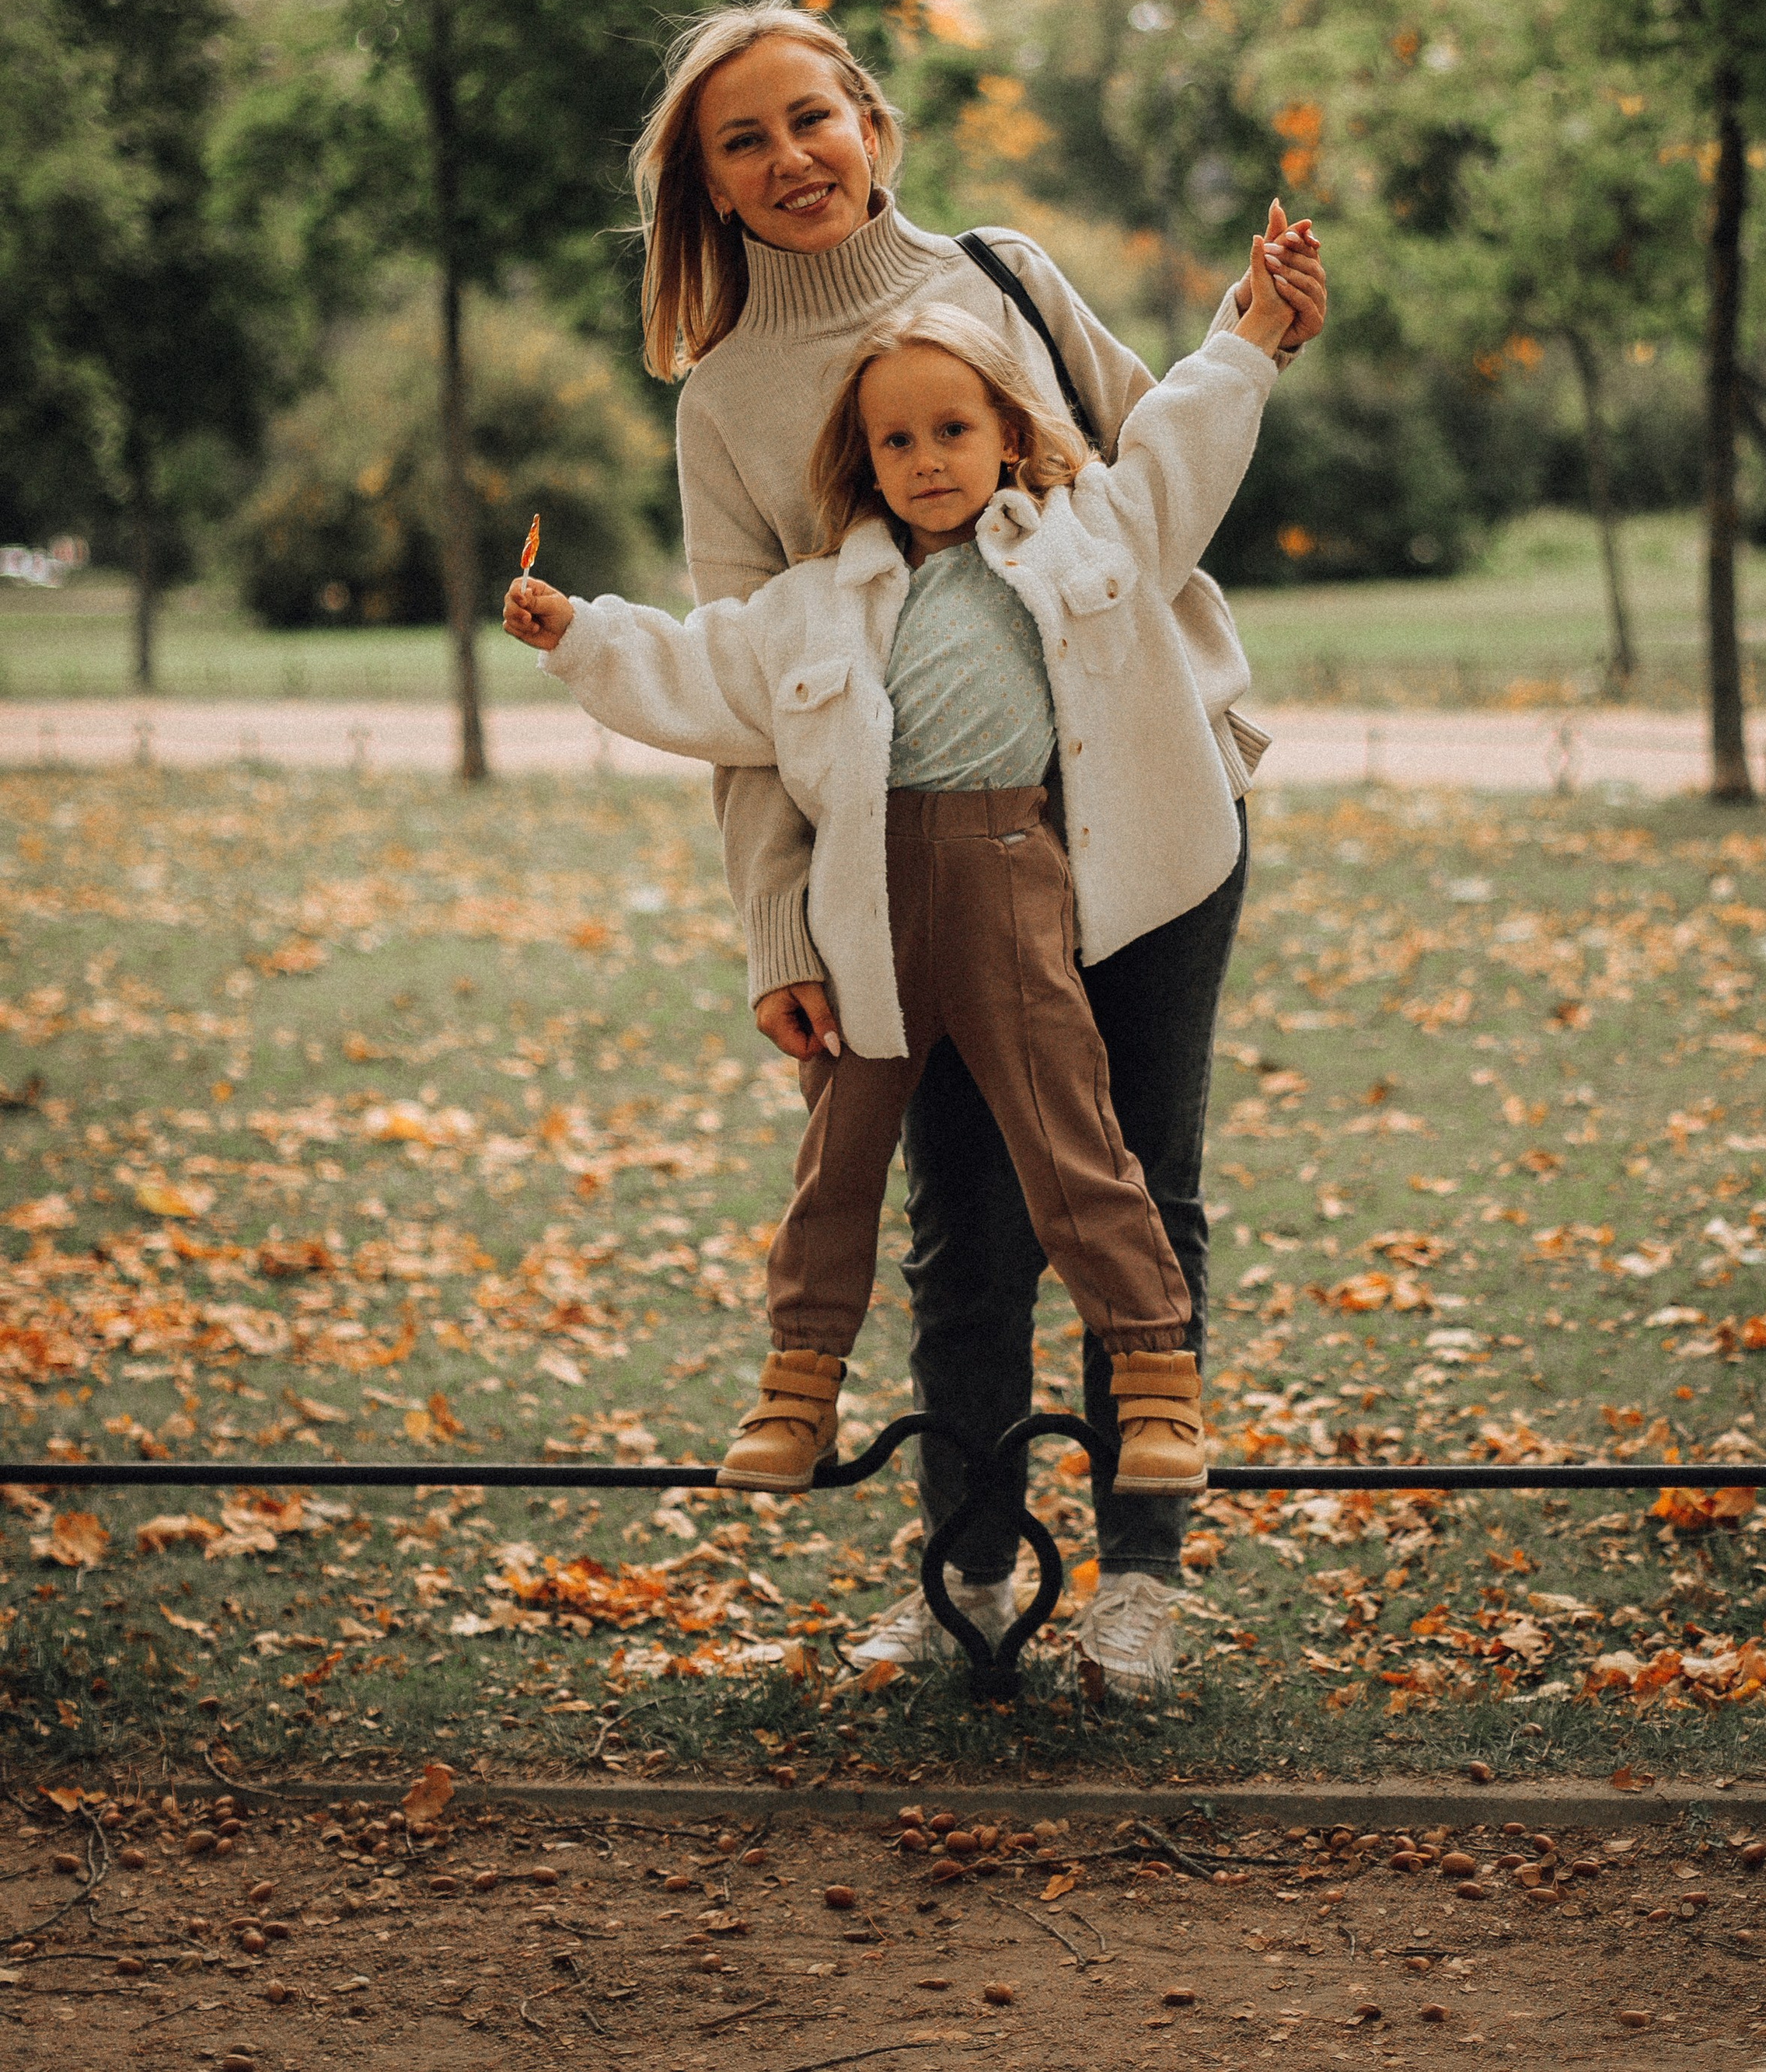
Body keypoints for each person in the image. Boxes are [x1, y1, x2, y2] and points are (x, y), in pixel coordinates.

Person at [625, 0, 1322, 1683]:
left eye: (811, 116)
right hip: (916, 860)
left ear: (869, 120)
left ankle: (1145, 1579)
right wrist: (782, 930)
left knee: (1139, 1169)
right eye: (743, 140)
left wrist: (1250, 339)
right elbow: (748, 692)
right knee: (964, 1213)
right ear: (706, 189)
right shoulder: (723, 399)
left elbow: (1149, 476)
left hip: (1146, 808)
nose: (788, 158)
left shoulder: (1002, 274)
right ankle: (972, 1565)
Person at [503, 271, 1311, 1515]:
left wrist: (1248, 333)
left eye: (953, 431)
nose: (928, 460)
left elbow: (1175, 450)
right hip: (866, 914)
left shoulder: (1088, 536)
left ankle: (1156, 1383)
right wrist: (578, 633)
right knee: (838, 1166)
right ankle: (796, 1392)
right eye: (897, 441)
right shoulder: (815, 606)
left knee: (1074, 1143)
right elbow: (698, 667)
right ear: (862, 461)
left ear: (1007, 435)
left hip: (1016, 892)